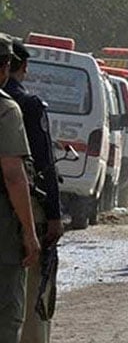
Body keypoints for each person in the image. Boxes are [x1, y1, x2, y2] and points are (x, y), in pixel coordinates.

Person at [4, 39, 64, 343]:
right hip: (20, 211)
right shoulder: (23, 106)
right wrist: (53, 216)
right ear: (21, 67)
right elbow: (40, 165)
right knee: (29, 298)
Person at [0, 33, 41, 343]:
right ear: (5, 67)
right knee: (6, 318)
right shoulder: (6, 110)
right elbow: (14, 175)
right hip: (3, 239)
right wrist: (29, 233)